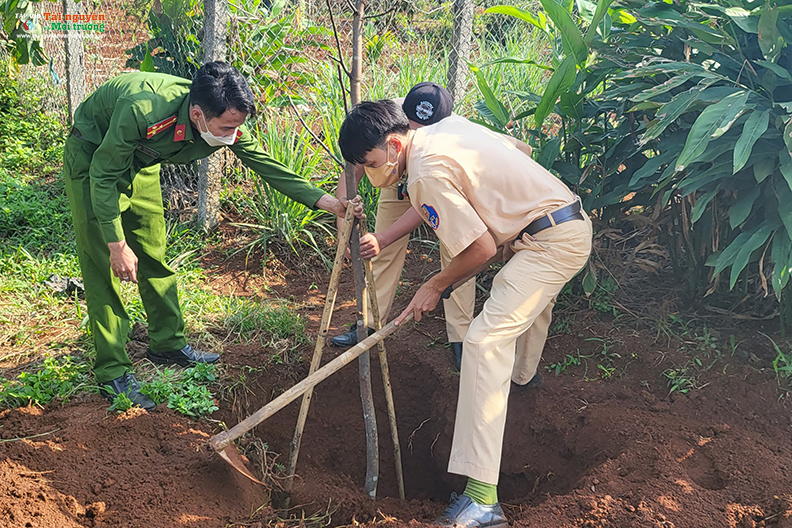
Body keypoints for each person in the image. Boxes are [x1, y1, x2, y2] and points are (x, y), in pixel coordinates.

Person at [337, 100, 592, 528]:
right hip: (549, 226)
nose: (371, 173)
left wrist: (434, 285)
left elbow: (480, 249)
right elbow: (515, 152)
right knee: (510, 321)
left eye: (371, 163)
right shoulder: (444, 130)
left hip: (551, 242)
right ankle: (522, 385)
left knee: (483, 341)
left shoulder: (425, 173)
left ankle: (483, 502)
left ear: (395, 144)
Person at [64, 62, 361, 411]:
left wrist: (328, 203)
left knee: (152, 253)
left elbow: (266, 164)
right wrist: (116, 245)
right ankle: (113, 372)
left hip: (142, 160)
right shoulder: (143, 110)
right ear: (197, 115)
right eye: (228, 127)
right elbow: (103, 175)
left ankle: (167, 343)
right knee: (103, 267)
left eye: (238, 126)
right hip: (94, 159)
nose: (233, 135)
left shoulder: (224, 119)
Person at [330, 82, 471, 372]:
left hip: (444, 187)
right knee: (381, 251)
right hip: (397, 178)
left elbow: (427, 208)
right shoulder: (385, 120)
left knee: (459, 252)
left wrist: (385, 236)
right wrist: (342, 217)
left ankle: (461, 337)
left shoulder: (455, 137)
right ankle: (369, 324)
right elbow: (357, 161)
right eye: (410, 127)